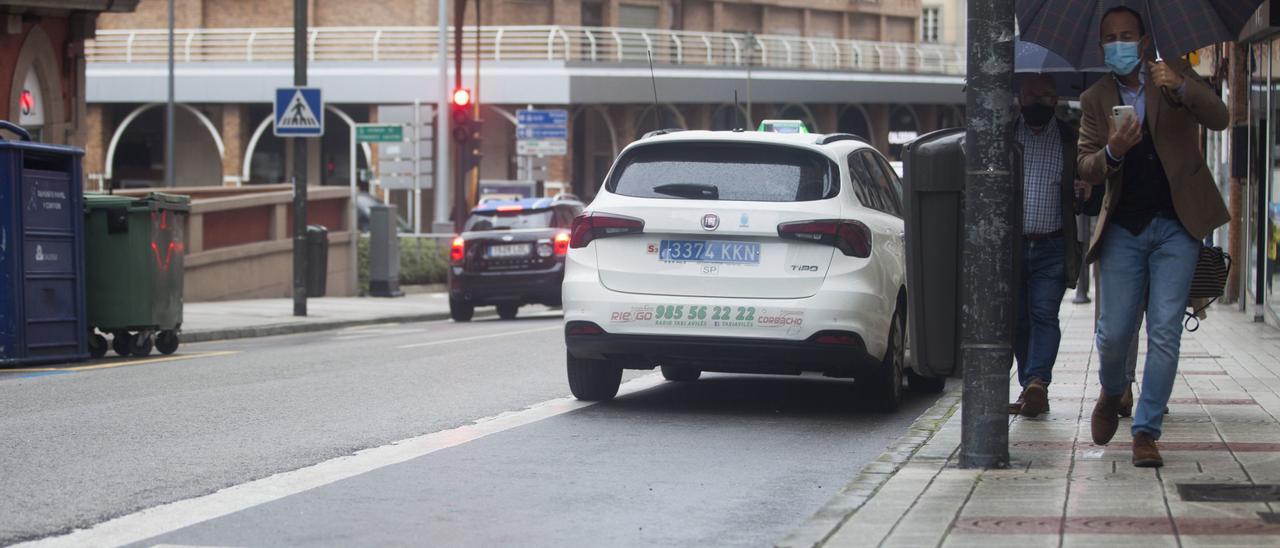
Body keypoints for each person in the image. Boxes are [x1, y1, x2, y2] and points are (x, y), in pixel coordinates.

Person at [1077, 6, 1229, 468]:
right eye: (1110, 38)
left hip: (1177, 226)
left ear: (1144, 42)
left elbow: (1221, 117)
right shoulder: (1096, 98)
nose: (1118, 44)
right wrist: (1112, 152)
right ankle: (1111, 390)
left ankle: (1146, 430)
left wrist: (1182, 86)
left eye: (1127, 36)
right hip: (1124, 226)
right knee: (1114, 332)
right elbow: (1084, 164)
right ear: (1102, 46)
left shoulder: (1174, 78)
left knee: (1165, 331)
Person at [1007, 73, 1082, 418]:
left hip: (1052, 244)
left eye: (1046, 96)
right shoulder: (1004, 137)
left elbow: (1086, 194)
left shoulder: (1072, 139)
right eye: (1032, 94)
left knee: (1043, 314)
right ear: (1020, 97)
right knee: (1018, 320)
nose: (1038, 101)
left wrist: (1085, 191)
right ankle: (1029, 387)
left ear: (1056, 100)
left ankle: (1038, 382)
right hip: (1012, 248)